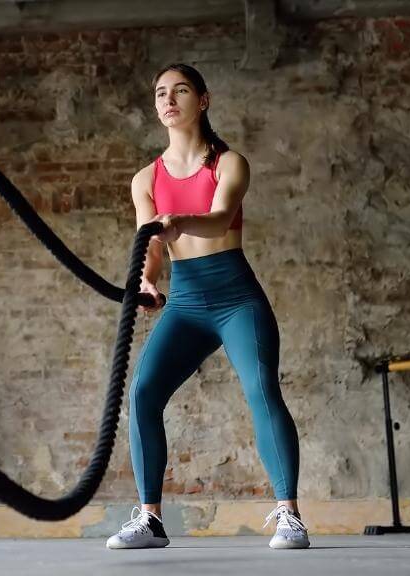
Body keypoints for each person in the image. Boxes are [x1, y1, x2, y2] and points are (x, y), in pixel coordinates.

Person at [106, 63, 309, 550]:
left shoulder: (230, 162)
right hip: (188, 302)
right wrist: (149, 282)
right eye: (160, 94)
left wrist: (178, 223)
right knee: (143, 393)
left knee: (261, 388)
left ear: (204, 99)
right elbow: (150, 246)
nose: (168, 100)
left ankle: (289, 514)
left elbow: (219, 219)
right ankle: (151, 520)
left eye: (180, 91)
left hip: (236, 296)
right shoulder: (145, 179)